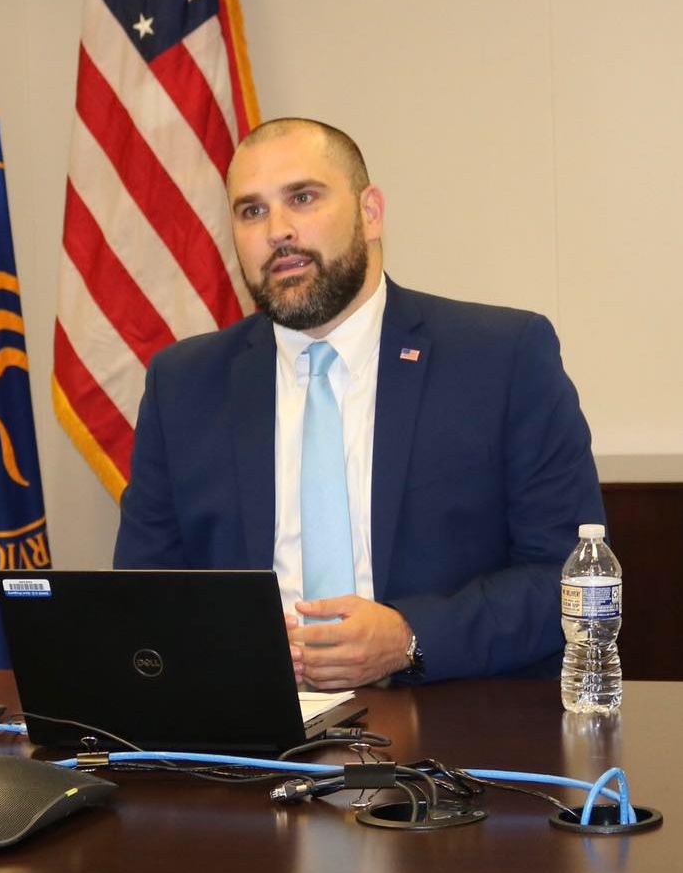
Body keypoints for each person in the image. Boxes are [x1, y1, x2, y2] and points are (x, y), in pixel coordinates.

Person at [114, 117, 605, 689]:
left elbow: (570, 581)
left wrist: (409, 637)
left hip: (455, 731)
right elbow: (145, 595)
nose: (278, 230)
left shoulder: (501, 358)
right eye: (251, 211)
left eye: (303, 197)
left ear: (370, 212)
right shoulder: (184, 383)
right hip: (253, 734)